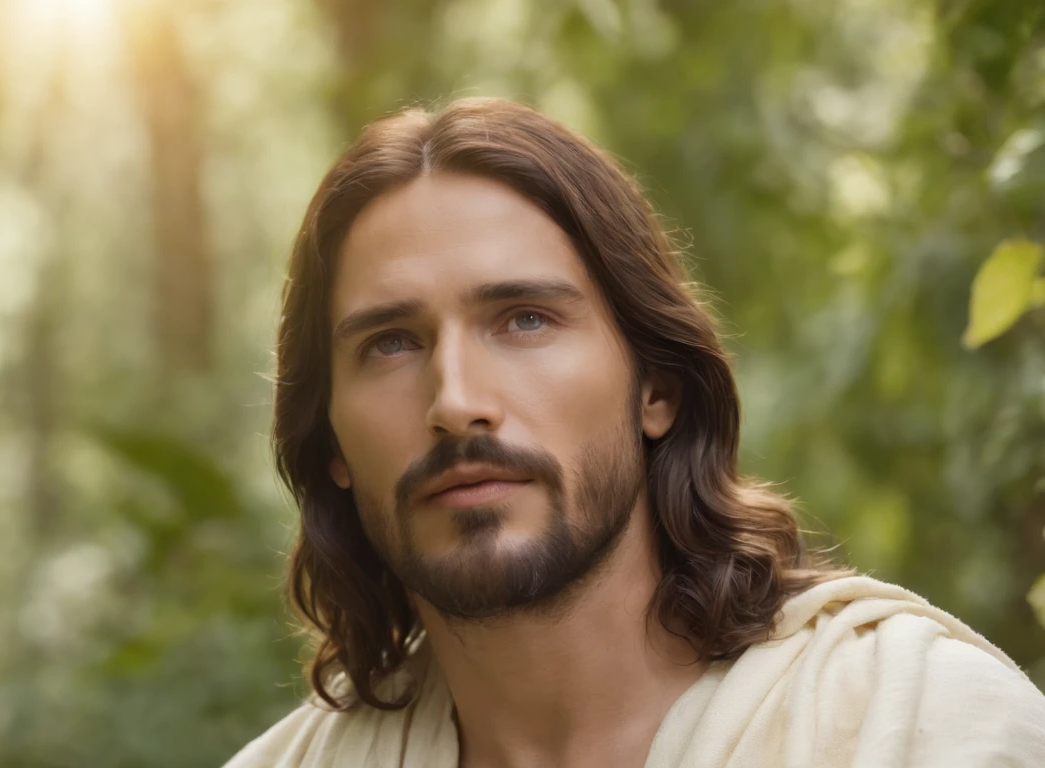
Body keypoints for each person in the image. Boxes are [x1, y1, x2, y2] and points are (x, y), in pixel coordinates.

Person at [224, 97, 1045, 768]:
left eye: (524, 319)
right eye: (391, 343)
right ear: (329, 442)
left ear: (657, 387)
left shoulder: (920, 730)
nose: (456, 401)